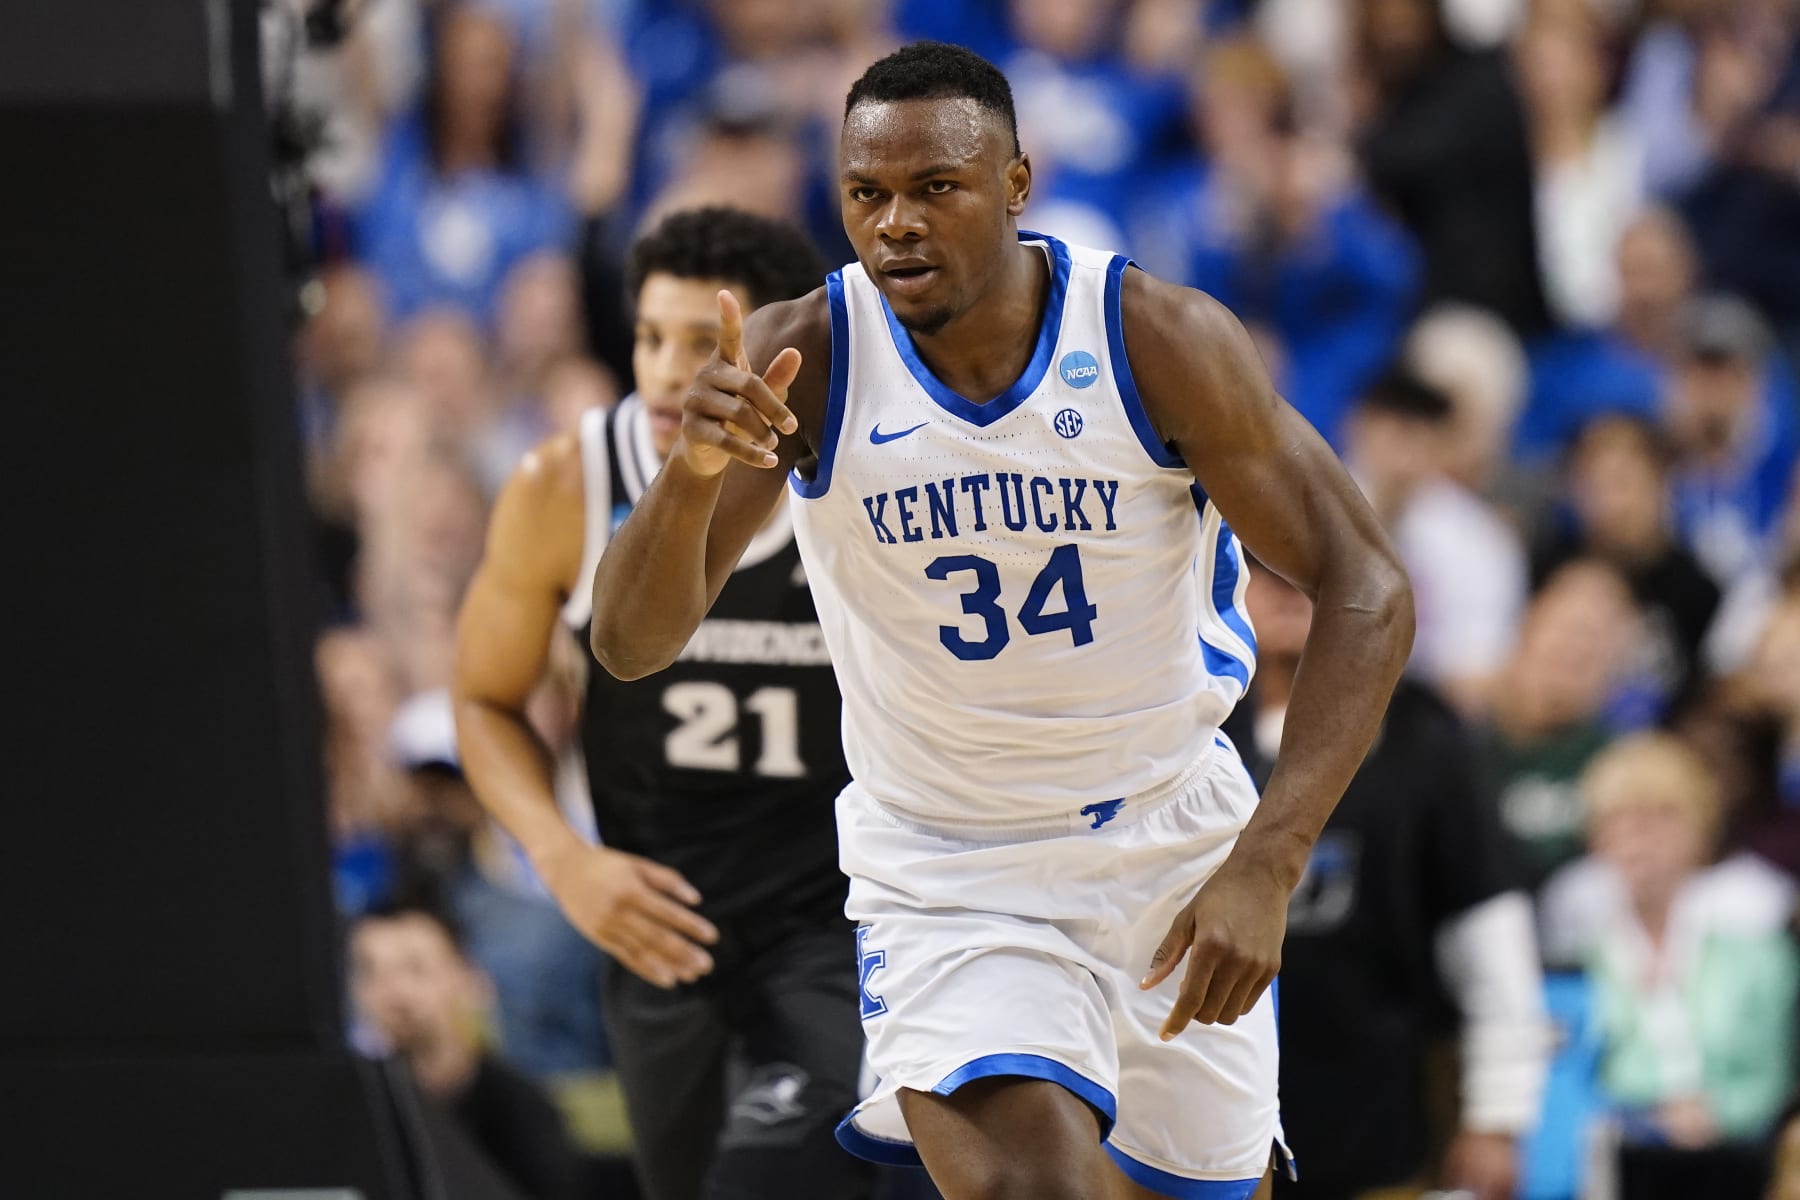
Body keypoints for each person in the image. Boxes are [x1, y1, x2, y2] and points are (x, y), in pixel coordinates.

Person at [589, 42, 1415, 1199]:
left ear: (1018, 183)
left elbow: (1370, 585)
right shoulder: (809, 356)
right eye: (867, 194)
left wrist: (1270, 862)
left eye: (937, 188)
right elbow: (629, 645)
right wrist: (687, 472)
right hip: (949, 864)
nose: (897, 225)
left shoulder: (1156, 339)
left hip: (1165, 836)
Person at [451, 206, 875, 1200]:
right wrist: (562, 859)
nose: (665, 371)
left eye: (703, 342)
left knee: (769, 1181)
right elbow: (481, 698)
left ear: (776, 355)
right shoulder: (566, 482)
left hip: (833, 928)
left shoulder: (854, 478)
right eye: (648, 337)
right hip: (656, 928)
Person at [1228, 559, 1546, 1200]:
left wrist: (1498, 1116)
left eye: (1307, 567)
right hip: (1213, 1128)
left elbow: (1488, 931)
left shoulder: (1424, 741)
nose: (1287, 588)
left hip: (1383, 1131)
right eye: (1264, 570)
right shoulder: (1188, 732)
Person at [349, 899, 584, 1200]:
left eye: (415, 969)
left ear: (470, 980)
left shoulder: (522, 1112)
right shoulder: (359, 1111)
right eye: (371, 972)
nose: (394, 992)